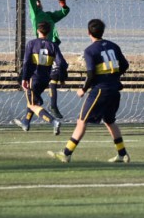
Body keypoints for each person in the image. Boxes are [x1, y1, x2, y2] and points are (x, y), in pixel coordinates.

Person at [48, 19, 131, 163]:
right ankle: (122, 154)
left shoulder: (90, 51)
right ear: (103, 31)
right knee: (110, 121)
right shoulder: (113, 46)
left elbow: (91, 74)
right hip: (114, 90)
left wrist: (83, 89)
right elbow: (125, 65)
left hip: (100, 91)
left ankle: (66, 153)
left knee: (82, 121)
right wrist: (114, 77)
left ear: (88, 32)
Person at [27, 0, 70, 120]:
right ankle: (44, 108)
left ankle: (50, 107)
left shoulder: (50, 16)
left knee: (56, 75)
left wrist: (62, 2)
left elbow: (65, 12)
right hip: (42, 50)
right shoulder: (35, 15)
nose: (37, 3)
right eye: (35, 3)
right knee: (43, 82)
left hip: (53, 49)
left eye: (39, 2)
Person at [13, 21, 63, 135]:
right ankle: (25, 123)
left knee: (33, 104)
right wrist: (61, 75)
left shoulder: (31, 43)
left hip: (33, 78)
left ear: (37, 30)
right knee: (32, 100)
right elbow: (61, 63)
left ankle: (53, 121)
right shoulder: (53, 45)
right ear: (49, 32)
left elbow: (26, 62)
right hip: (46, 79)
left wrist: (24, 78)